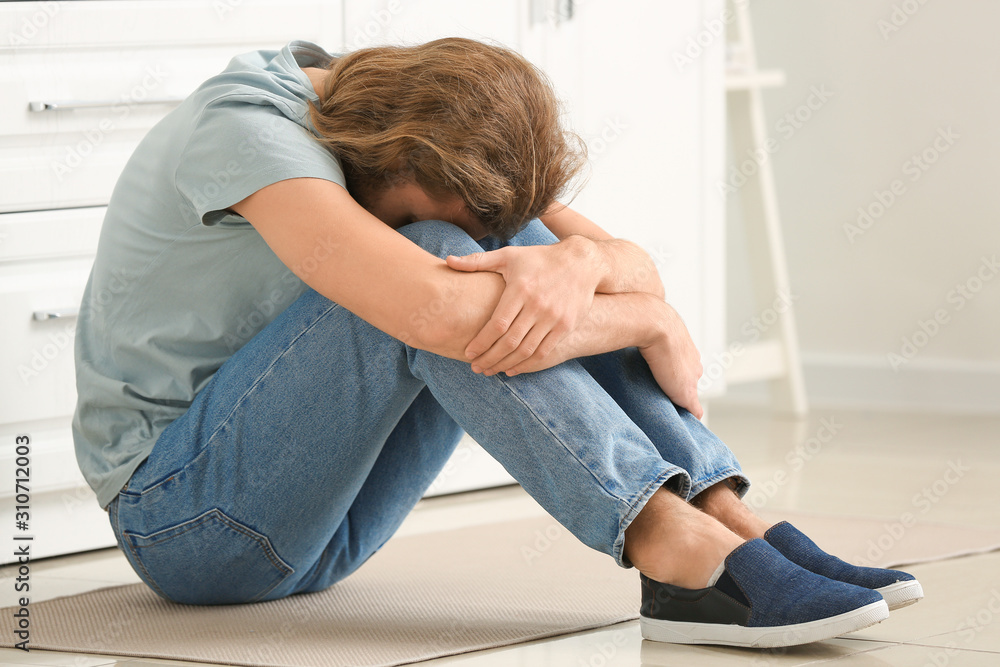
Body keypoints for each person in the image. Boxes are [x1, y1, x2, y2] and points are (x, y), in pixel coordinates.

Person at [72, 37, 922, 649]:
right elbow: (443, 315)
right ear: (380, 157)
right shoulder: (249, 131)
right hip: (189, 522)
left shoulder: (392, 118)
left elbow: (630, 271)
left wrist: (582, 262)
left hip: (322, 522)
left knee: (513, 254)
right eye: (406, 205)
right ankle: (666, 542)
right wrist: (649, 322)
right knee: (446, 266)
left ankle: (722, 512)